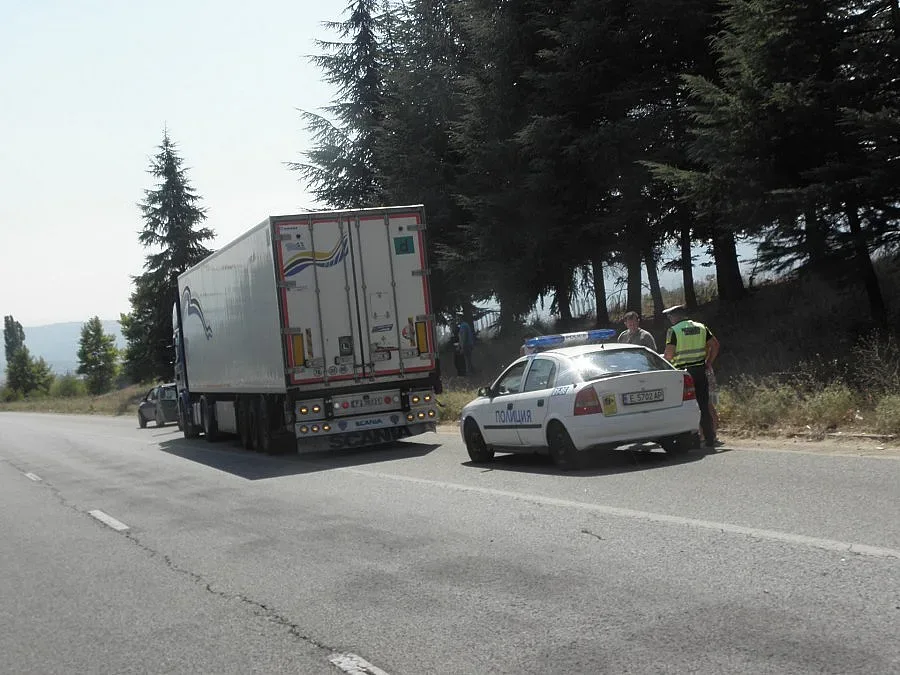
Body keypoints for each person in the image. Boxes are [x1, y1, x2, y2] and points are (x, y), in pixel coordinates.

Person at [662, 305, 721, 448]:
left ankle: (694, 439)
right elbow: (715, 345)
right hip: (700, 371)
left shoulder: (674, 331)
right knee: (703, 404)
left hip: (683, 374)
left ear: (676, 316)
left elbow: (669, 355)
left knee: (687, 406)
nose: (669, 319)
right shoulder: (701, 327)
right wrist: (708, 362)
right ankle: (709, 438)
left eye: (670, 316)